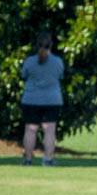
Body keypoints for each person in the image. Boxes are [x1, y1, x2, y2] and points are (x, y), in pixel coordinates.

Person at [21, 31, 65, 166]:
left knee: (30, 129)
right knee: (49, 129)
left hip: (31, 100)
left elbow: (24, 75)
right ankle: (48, 159)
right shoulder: (57, 62)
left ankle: (28, 159)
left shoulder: (29, 61)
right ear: (51, 45)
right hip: (52, 100)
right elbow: (60, 76)